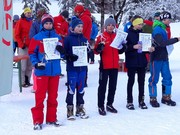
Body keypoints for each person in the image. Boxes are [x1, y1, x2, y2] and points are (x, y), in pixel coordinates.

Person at [28, 14, 64, 130]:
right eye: (46, 23)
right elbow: (32, 52)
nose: (48, 25)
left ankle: (51, 118)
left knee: (53, 96)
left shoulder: (58, 38)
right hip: (42, 71)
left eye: (50, 23)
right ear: (43, 24)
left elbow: (61, 54)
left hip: (54, 72)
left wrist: (61, 50)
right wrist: (36, 63)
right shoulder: (37, 38)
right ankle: (37, 120)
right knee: (40, 96)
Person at [148, 11, 180, 107]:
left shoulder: (164, 28)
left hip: (164, 57)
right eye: (168, 19)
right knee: (154, 78)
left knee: (167, 77)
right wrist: (176, 39)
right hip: (156, 58)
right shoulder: (157, 29)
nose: (169, 21)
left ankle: (166, 97)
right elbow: (161, 43)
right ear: (163, 20)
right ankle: (153, 98)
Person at [94, 18, 124, 115]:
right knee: (102, 86)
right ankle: (101, 106)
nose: (111, 26)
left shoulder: (117, 36)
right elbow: (95, 51)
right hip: (104, 65)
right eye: (109, 25)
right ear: (105, 26)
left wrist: (123, 48)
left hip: (114, 65)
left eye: (112, 25)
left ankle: (110, 104)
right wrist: (99, 48)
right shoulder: (101, 37)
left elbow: (118, 50)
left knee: (113, 86)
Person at [125, 16, 155, 110]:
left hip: (142, 61)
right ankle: (129, 101)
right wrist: (133, 47)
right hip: (132, 60)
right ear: (134, 24)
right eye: (139, 24)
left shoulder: (143, 34)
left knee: (141, 81)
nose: (141, 26)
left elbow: (145, 48)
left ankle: (141, 100)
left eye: (142, 24)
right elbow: (124, 47)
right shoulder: (127, 34)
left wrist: (149, 49)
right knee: (131, 81)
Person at [63, 17, 89, 120]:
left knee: (81, 88)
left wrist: (90, 50)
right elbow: (64, 53)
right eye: (78, 26)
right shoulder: (68, 39)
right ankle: (69, 109)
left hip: (82, 68)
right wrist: (69, 56)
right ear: (72, 28)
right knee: (71, 89)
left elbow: (88, 52)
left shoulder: (84, 39)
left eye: (82, 26)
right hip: (72, 68)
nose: (80, 28)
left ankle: (80, 108)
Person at [29, 8, 47, 93]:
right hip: (38, 46)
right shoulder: (36, 23)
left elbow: (31, 35)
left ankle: (39, 86)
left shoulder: (41, 22)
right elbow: (32, 35)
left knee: (42, 66)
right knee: (37, 66)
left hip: (44, 46)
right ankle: (37, 86)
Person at [15, 7, 33, 87]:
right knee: (23, 65)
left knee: (30, 65)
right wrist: (21, 44)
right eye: (27, 13)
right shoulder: (20, 22)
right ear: (24, 13)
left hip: (31, 46)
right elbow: (17, 35)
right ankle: (22, 82)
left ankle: (27, 80)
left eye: (30, 13)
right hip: (23, 47)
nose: (29, 14)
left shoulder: (31, 22)